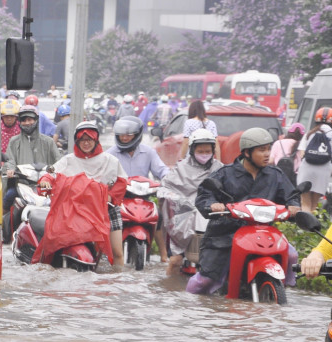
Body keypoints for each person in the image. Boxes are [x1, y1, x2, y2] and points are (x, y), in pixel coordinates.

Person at [186, 127, 301, 295]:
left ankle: (286, 287)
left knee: (291, 255)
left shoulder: (276, 175)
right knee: (206, 280)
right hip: (225, 235)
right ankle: (187, 302)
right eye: (262, 150)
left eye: (269, 149)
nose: (267, 154)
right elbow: (205, 195)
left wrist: (293, 206)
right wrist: (212, 205)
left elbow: (291, 195)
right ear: (247, 152)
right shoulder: (225, 174)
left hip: (263, 233)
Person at [40, 121, 129, 266]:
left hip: (106, 209)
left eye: (89, 140)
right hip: (76, 211)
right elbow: (52, 173)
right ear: (76, 141)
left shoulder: (110, 160)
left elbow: (121, 181)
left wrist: (110, 196)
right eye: (82, 140)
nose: (86, 143)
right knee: (56, 242)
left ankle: (116, 280)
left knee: (117, 252)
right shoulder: (68, 160)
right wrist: (45, 179)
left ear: (95, 140)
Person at [158, 129, 223, 276]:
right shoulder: (180, 168)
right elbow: (165, 187)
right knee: (175, 261)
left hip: (210, 218)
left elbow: (229, 191)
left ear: (213, 150)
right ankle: (170, 288)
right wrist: (177, 200)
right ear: (193, 150)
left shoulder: (219, 168)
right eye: (201, 150)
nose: (204, 154)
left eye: (208, 150)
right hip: (183, 221)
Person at [107, 116, 170, 261]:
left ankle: (164, 254)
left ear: (137, 135)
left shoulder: (148, 152)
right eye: (122, 135)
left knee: (158, 217)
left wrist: (168, 178)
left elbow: (161, 170)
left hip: (142, 197)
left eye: (129, 135)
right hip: (119, 198)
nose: (125, 138)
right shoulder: (110, 154)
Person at [3, 104, 62, 212]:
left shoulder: (48, 141)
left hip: (45, 186)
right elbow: (10, 160)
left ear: (36, 120)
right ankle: (6, 225)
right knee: (8, 196)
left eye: (30, 119)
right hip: (22, 184)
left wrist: (54, 173)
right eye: (23, 120)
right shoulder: (14, 141)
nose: (27, 123)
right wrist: (10, 170)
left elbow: (59, 162)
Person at [297, 108, 332, 213]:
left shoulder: (309, 133)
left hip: (307, 169)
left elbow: (302, 153)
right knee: (314, 203)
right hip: (324, 170)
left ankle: (304, 227)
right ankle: (312, 226)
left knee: (305, 202)